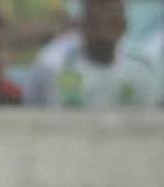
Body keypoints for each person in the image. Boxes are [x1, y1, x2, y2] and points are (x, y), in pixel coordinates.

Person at [27, 0, 159, 107]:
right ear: (81, 24)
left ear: (123, 25)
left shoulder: (141, 71)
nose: (103, 31)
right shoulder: (52, 67)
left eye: (112, 22)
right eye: (95, 22)